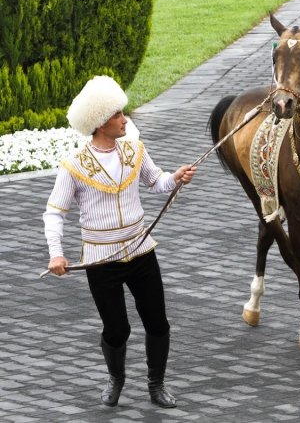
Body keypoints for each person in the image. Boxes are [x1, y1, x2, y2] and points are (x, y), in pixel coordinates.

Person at [43, 75, 197, 407]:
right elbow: (54, 213)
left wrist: (176, 177)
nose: (124, 119)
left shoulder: (134, 150)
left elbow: (157, 183)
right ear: (100, 123)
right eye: (117, 115)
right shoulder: (74, 167)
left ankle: (156, 385)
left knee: (158, 322)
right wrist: (56, 254)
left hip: (141, 253)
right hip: (101, 262)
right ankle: (116, 379)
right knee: (117, 330)